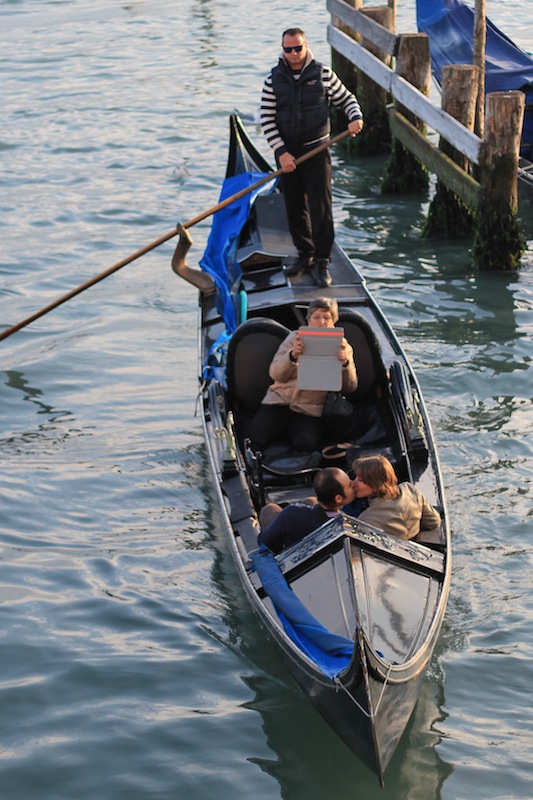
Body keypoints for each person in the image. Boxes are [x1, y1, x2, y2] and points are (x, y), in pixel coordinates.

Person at [260, 27, 364, 288]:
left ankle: (322, 261)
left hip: (317, 150)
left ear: (306, 46)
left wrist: (355, 117)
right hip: (288, 154)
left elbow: (346, 98)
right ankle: (304, 254)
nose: (294, 54)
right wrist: (281, 152)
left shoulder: (323, 73)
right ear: (282, 50)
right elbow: (266, 118)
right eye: (288, 49)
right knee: (294, 206)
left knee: (321, 207)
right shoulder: (272, 80)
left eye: (298, 48)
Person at [247, 297, 357, 453]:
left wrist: (345, 364)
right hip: (279, 401)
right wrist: (292, 356)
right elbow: (275, 373)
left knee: (305, 445)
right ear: (309, 320)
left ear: (334, 321)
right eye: (317, 317)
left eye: (327, 318)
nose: (322, 322)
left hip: (310, 409)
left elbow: (351, 386)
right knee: (253, 437)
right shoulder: (294, 338)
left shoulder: (343, 346)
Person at [258, 467, 356, 554]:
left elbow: (264, 541)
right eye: (349, 485)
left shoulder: (293, 513)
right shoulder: (347, 525)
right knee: (310, 500)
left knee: (269, 509)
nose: (353, 483)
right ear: (338, 498)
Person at [351, 455, 441, 540]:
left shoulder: (366, 520)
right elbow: (434, 522)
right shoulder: (410, 489)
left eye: (360, 480)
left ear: (375, 485)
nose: (353, 483)